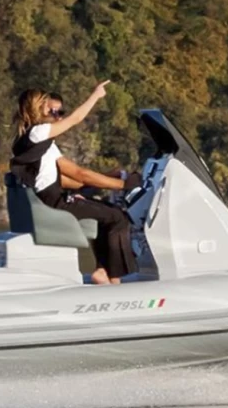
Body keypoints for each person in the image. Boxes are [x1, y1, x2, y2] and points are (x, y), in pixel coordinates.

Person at [10, 82, 140, 285]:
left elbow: (71, 177)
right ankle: (114, 280)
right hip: (54, 201)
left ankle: (102, 270)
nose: (51, 109)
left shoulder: (32, 139)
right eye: (46, 104)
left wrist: (106, 177)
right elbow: (76, 121)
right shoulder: (39, 132)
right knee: (118, 217)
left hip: (51, 198)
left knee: (103, 213)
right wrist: (96, 95)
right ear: (36, 107)